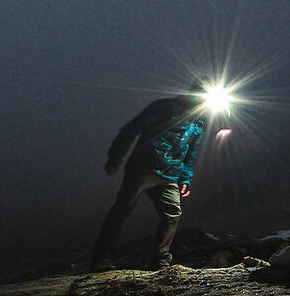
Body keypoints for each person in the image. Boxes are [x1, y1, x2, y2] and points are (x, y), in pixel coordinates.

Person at [88, 84, 218, 272]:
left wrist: (186, 179)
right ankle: (101, 258)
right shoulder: (164, 107)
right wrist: (116, 157)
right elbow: (132, 128)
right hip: (144, 166)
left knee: (172, 213)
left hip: (170, 173)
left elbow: (192, 152)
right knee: (123, 209)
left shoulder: (200, 122)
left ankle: (160, 260)